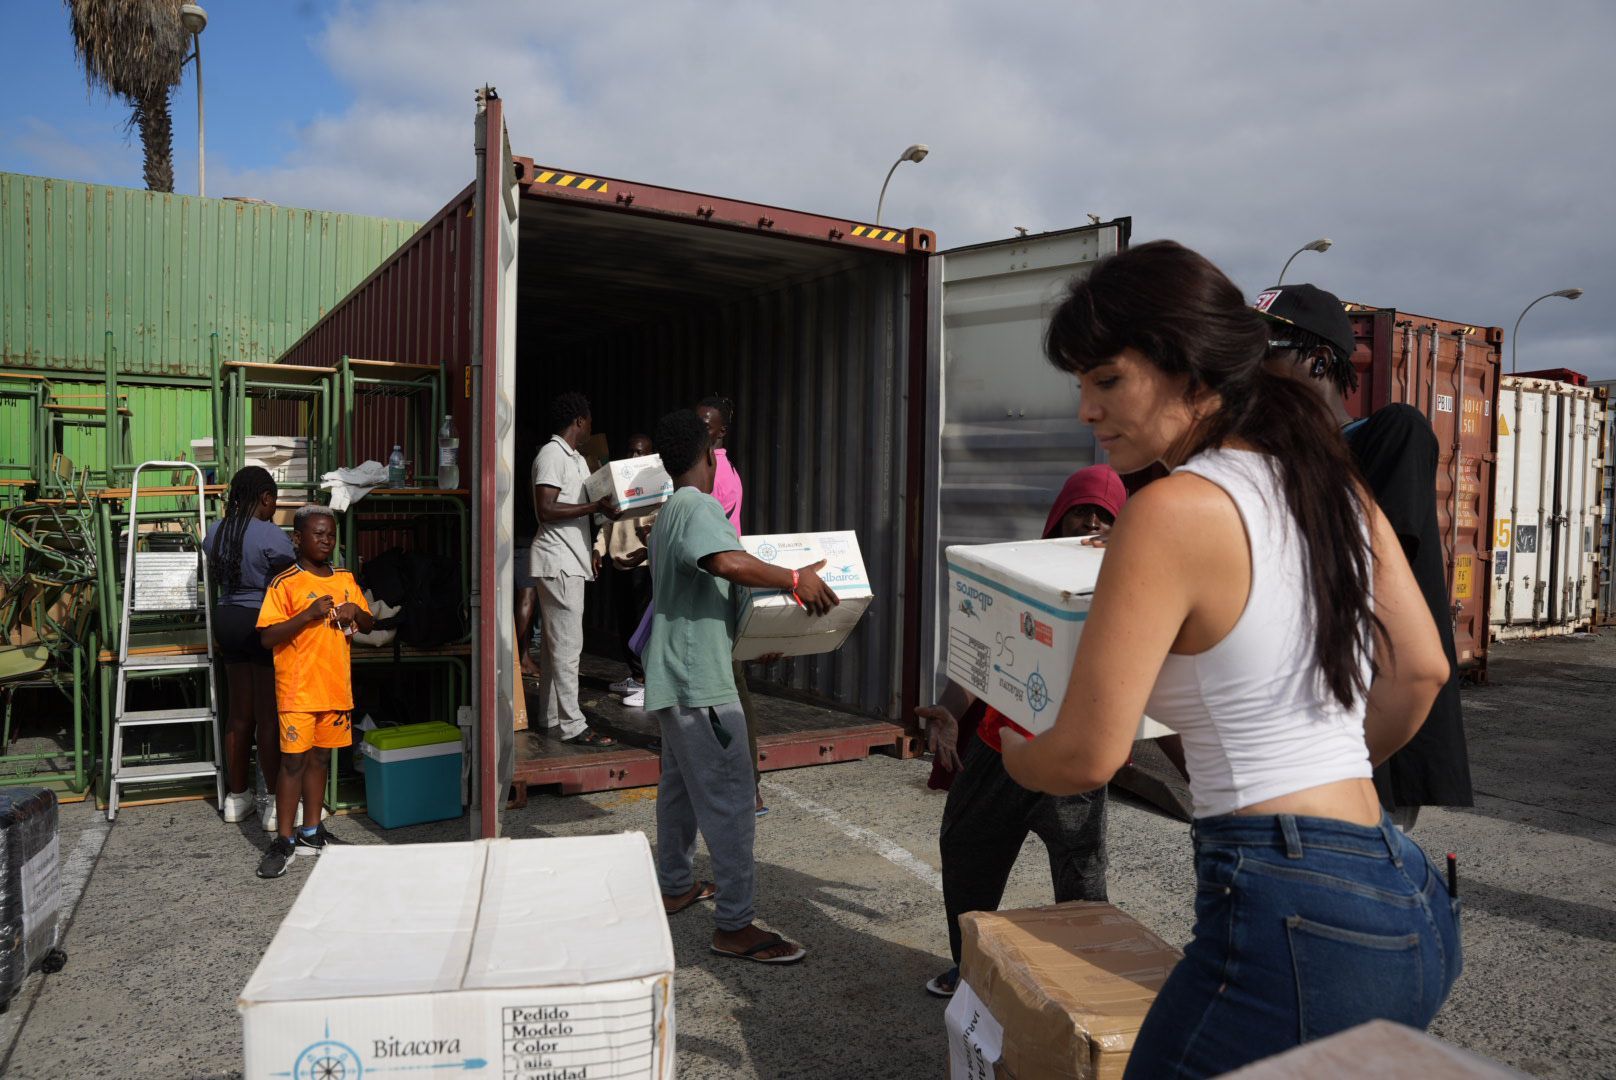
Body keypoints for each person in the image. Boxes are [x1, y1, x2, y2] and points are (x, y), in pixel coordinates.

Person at [998, 241, 1460, 1076]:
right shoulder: (1326, 481)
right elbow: (1422, 670)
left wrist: (1021, 757)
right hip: (1401, 888)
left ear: (1186, 368)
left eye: (1106, 380)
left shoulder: (1171, 510)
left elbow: (1089, 754)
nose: (1085, 411)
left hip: (1294, 906)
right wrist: (1330, 796)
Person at [1256, 282, 1473, 831]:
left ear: (1319, 359)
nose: (1249, 368)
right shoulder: (1270, 461)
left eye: (1267, 350)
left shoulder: (1390, 434)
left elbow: (1361, 565)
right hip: (1295, 719)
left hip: (1369, 722)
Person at [917, 464, 1127, 998]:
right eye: (1080, 511)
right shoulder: (1018, 581)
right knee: (965, 852)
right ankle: (970, 968)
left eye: (1105, 517)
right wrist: (948, 708)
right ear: (1057, 517)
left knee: (1081, 883)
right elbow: (978, 663)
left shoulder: (1126, 595)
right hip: (996, 749)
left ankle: (1086, 990)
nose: (1090, 523)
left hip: (1071, 760)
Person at [643, 408, 838, 965]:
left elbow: (703, 597)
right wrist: (796, 578)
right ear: (708, 456)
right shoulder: (698, 506)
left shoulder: (669, 513)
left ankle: (675, 884)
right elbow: (728, 562)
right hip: (700, 684)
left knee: (679, 792)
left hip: (677, 677)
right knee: (730, 801)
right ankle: (734, 924)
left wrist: (755, 639)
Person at [254, 505, 374, 879]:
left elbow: (369, 625)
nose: (325, 540)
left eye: (330, 534)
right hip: (297, 690)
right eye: (317, 534)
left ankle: (311, 832)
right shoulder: (285, 582)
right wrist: (306, 615)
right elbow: (266, 637)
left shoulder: (344, 578)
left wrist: (355, 610)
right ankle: (284, 841)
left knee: (321, 760)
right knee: (293, 762)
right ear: (297, 539)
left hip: (335, 688)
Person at [203, 466, 295, 829]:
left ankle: (236, 799)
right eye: (273, 501)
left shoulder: (216, 530)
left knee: (238, 716)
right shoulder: (270, 533)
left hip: (226, 620)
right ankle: (273, 803)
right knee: (267, 718)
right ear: (266, 498)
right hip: (261, 622)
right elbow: (290, 570)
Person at [532, 392, 618, 746]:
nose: (591, 427)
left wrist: (603, 511)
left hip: (571, 558)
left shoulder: (578, 460)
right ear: (579, 421)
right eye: (590, 421)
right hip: (558, 560)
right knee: (568, 647)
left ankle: (550, 715)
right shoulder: (552, 455)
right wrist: (592, 507)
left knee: (556, 646)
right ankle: (572, 724)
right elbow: (546, 510)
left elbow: (589, 506)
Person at [695, 395, 766, 814]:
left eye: (707, 423)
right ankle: (745, 781)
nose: (701, 428)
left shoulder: (712, 470)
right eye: (696, 421)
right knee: (731, 687)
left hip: (715, 585)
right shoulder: (720, 465)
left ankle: (745, 783)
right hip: (721, 581)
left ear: (721, 431)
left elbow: (708, 532)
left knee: (728, 689)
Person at [595, 432, 657, 708]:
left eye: (641, 452)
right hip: (619, 563)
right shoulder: (616, 485)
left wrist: (645, 552)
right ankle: (635, 675)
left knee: (643, 625)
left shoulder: (657, 486)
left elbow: (659, 527)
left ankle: (648, 682)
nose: (635, 457)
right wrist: (598, 550)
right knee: (626, 623)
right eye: (632, 452)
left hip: (642, 566)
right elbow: (606, 524)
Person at [514, 426, 543, 680]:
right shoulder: (530, 463)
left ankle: (517, 656)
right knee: (527, 597)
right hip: (523, 537)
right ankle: (521, 658)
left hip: (506, 536)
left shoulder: (508, 459)